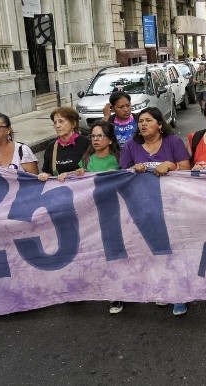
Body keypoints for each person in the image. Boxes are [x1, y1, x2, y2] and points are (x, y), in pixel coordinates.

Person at [118, 107, 190, 315]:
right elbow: (122, 172)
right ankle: (162, 289)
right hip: (144, 207)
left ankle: (179, 295)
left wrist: (170, 165)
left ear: (159, 124)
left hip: (172, 207)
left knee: (175, 249)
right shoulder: (132, 146)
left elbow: (186, 169)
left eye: (148, 120)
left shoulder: (173, 143)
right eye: (140, 121)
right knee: (155, 250)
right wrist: (134, 169)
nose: (143, 124)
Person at [56, 121, 123, 313]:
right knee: (92, 252)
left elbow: (128, 178)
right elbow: (78, 176)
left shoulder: (118, 158)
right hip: (89, 214)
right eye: (93, 136)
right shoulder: (87, 159)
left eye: (100, 136)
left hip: (113, 213)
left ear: (110, 140)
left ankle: (117, 295)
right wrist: (69, 175)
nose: (96, 139)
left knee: (113, 254)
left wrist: (116, 175)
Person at [38, 107, 91, 180]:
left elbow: (93, 169)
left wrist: (71, 174)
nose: (57, 125)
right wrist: (44, 175)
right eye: (55, 122)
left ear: (73, 124)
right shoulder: (51, 147)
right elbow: (47, 171)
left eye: (61, 121)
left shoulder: (86, 142)